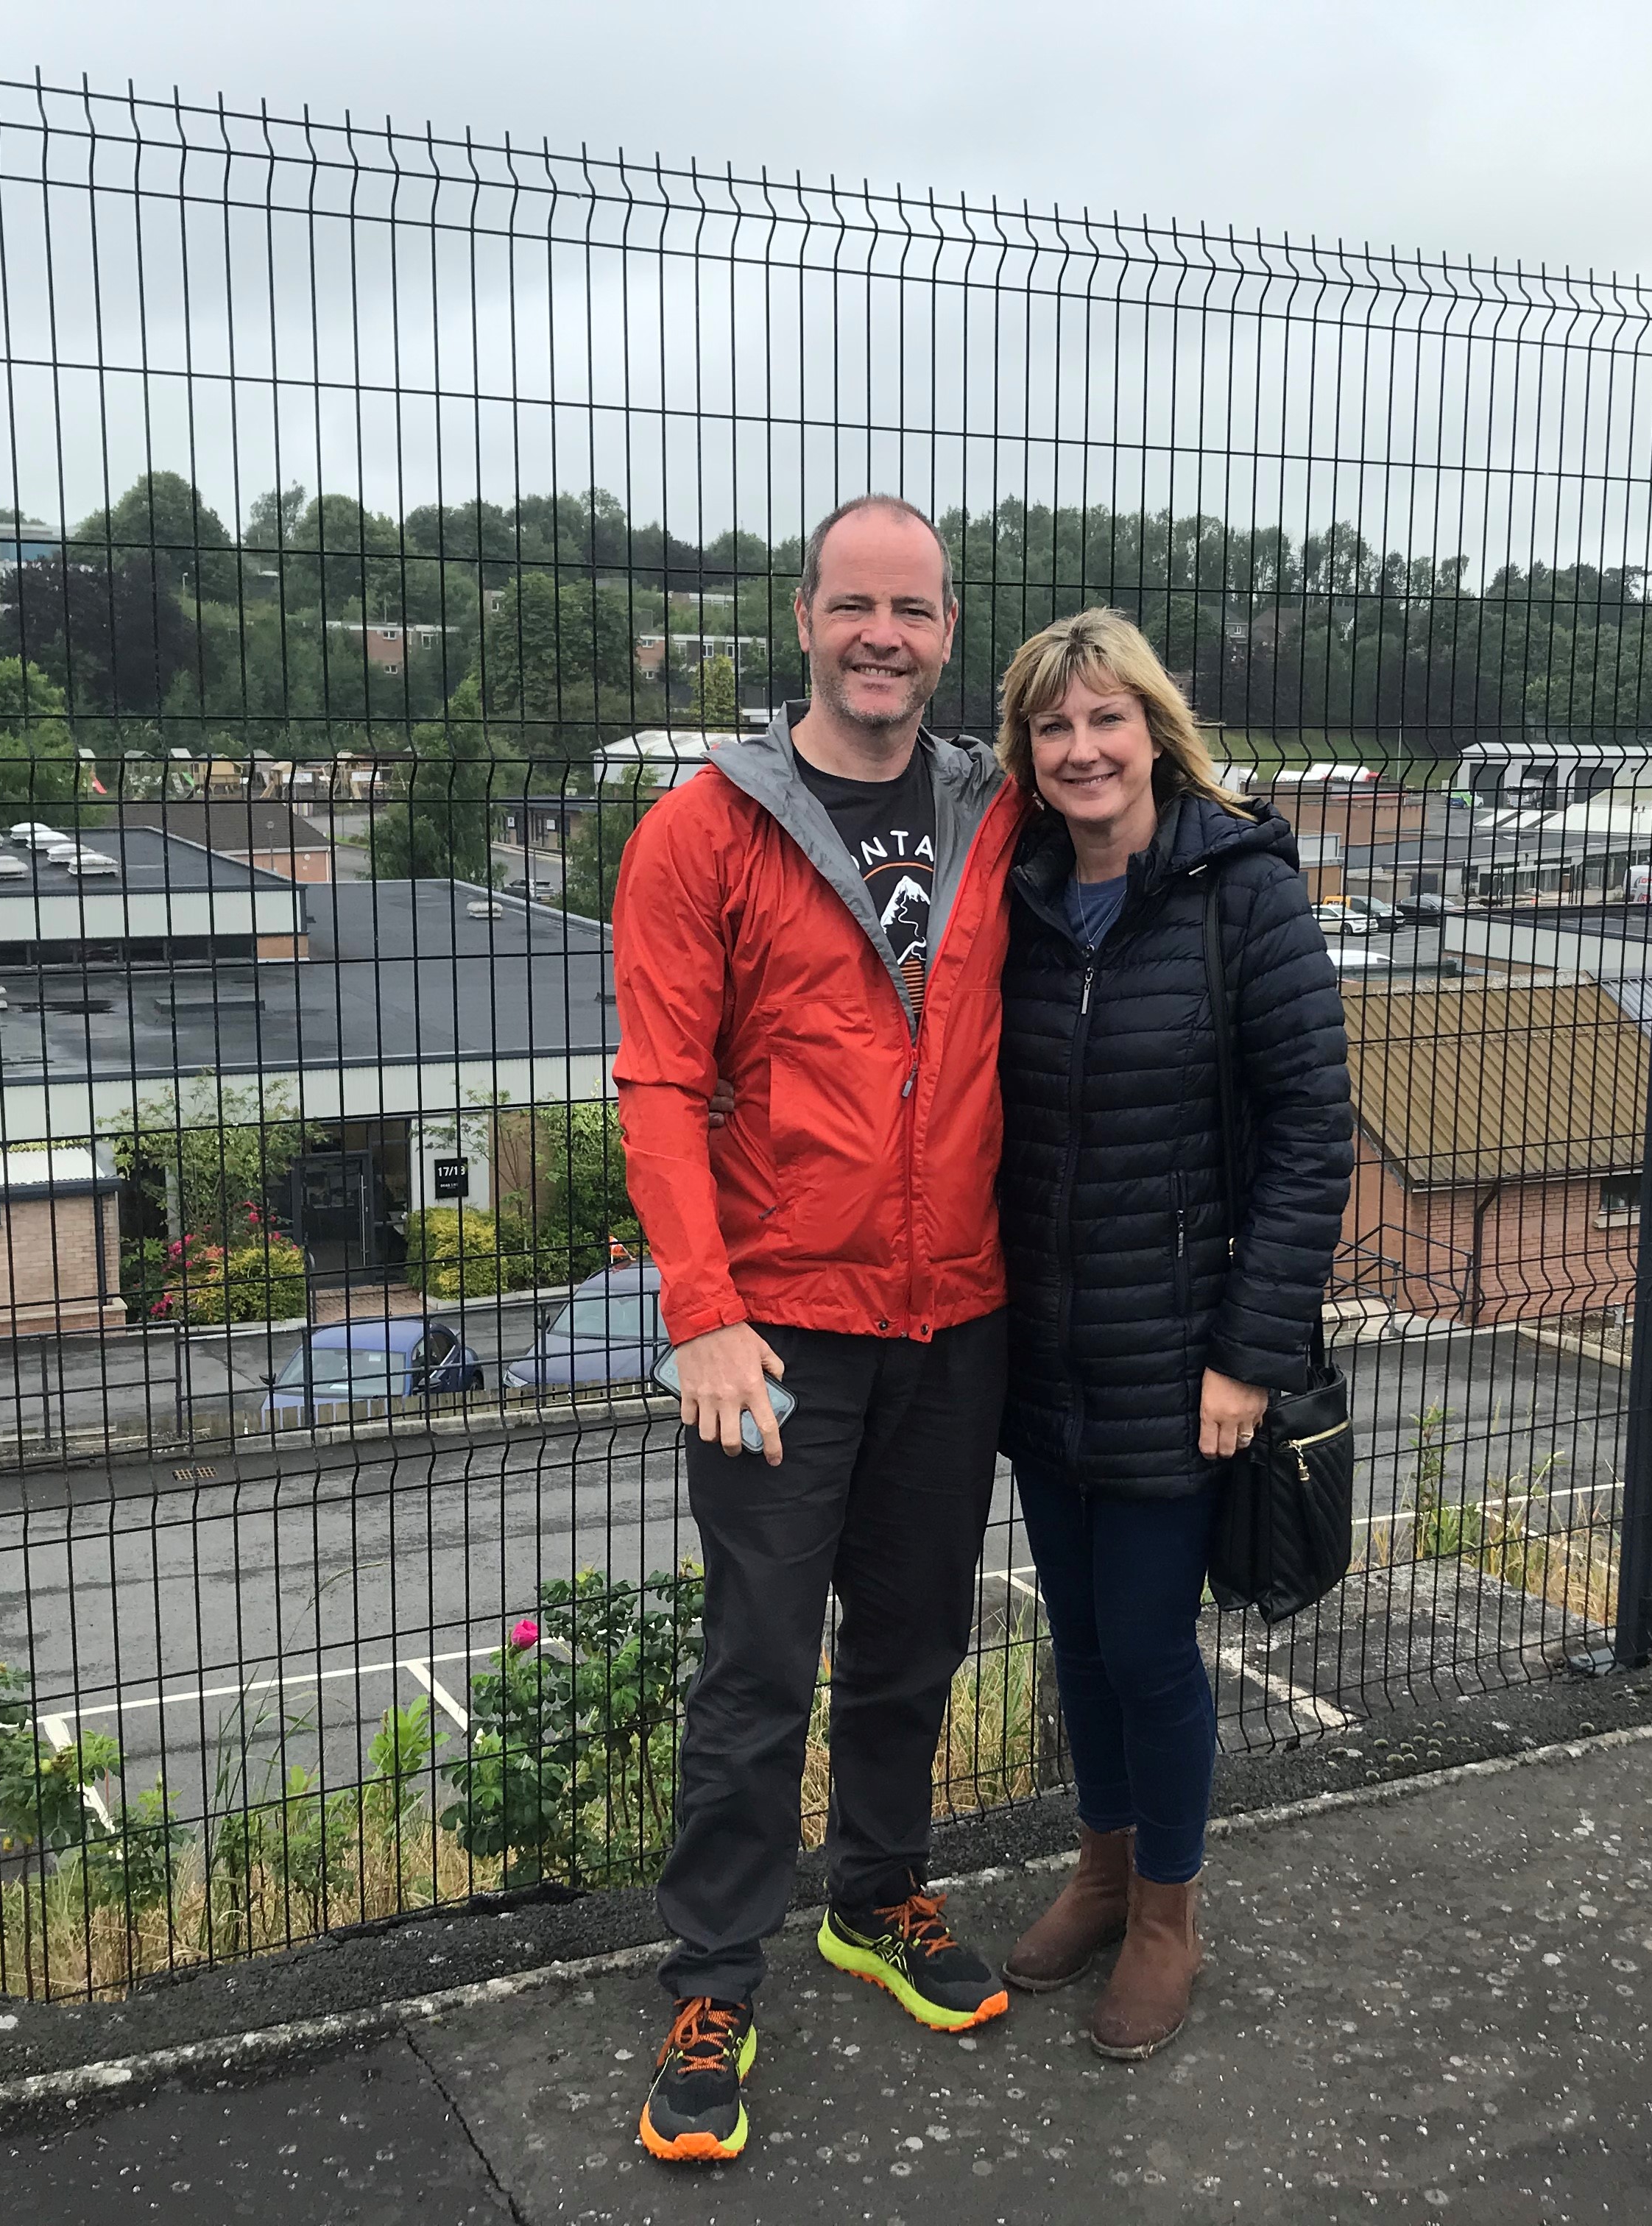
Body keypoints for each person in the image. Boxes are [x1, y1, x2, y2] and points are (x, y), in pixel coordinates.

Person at [610, 493, 1029, 2164]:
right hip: (776, 1331)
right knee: (760, 1665)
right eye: (854, 606)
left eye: (913, 611)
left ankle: (878, 1898)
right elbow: (657, 1085)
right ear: (803, 619)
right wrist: (701, 1314)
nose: (883, 636)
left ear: (946, 631)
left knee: (917, 1639)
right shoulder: (703, 830)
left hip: (960, 1316)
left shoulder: (998, 811)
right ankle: (716, 1976)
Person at [989, 607, 1352, 2058]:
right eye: (1052, 727)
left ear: (1154, 730)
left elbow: (1315, 1136)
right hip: (1042, 1353)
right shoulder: (1011, 901)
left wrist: (1247, 1358)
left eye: (1104, 720)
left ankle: (1164, 1917)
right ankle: (1097, 1867)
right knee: (1077, 1640)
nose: (1081, 749)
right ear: (1029, 753)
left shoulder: (1241, 893)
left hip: (1181, 1362)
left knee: (1146, 1646)